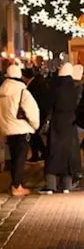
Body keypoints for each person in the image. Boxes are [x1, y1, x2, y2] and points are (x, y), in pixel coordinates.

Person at [0, 61, 40, 197]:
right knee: (20, 159)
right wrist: (35, 125)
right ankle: (17, 186)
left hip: (8, 129)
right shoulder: (22, 91)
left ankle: (14, 183)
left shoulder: (1, 91)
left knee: (14, 157)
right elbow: (32, 110)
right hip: (21, 128)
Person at [41, 63, 82, 194]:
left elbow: (47, 106)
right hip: (71, 123)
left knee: (54, 152)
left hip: (57, 123)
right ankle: (66, 185)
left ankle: (51, 185)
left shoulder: (54, 87)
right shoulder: (76, 89)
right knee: (68, 153)